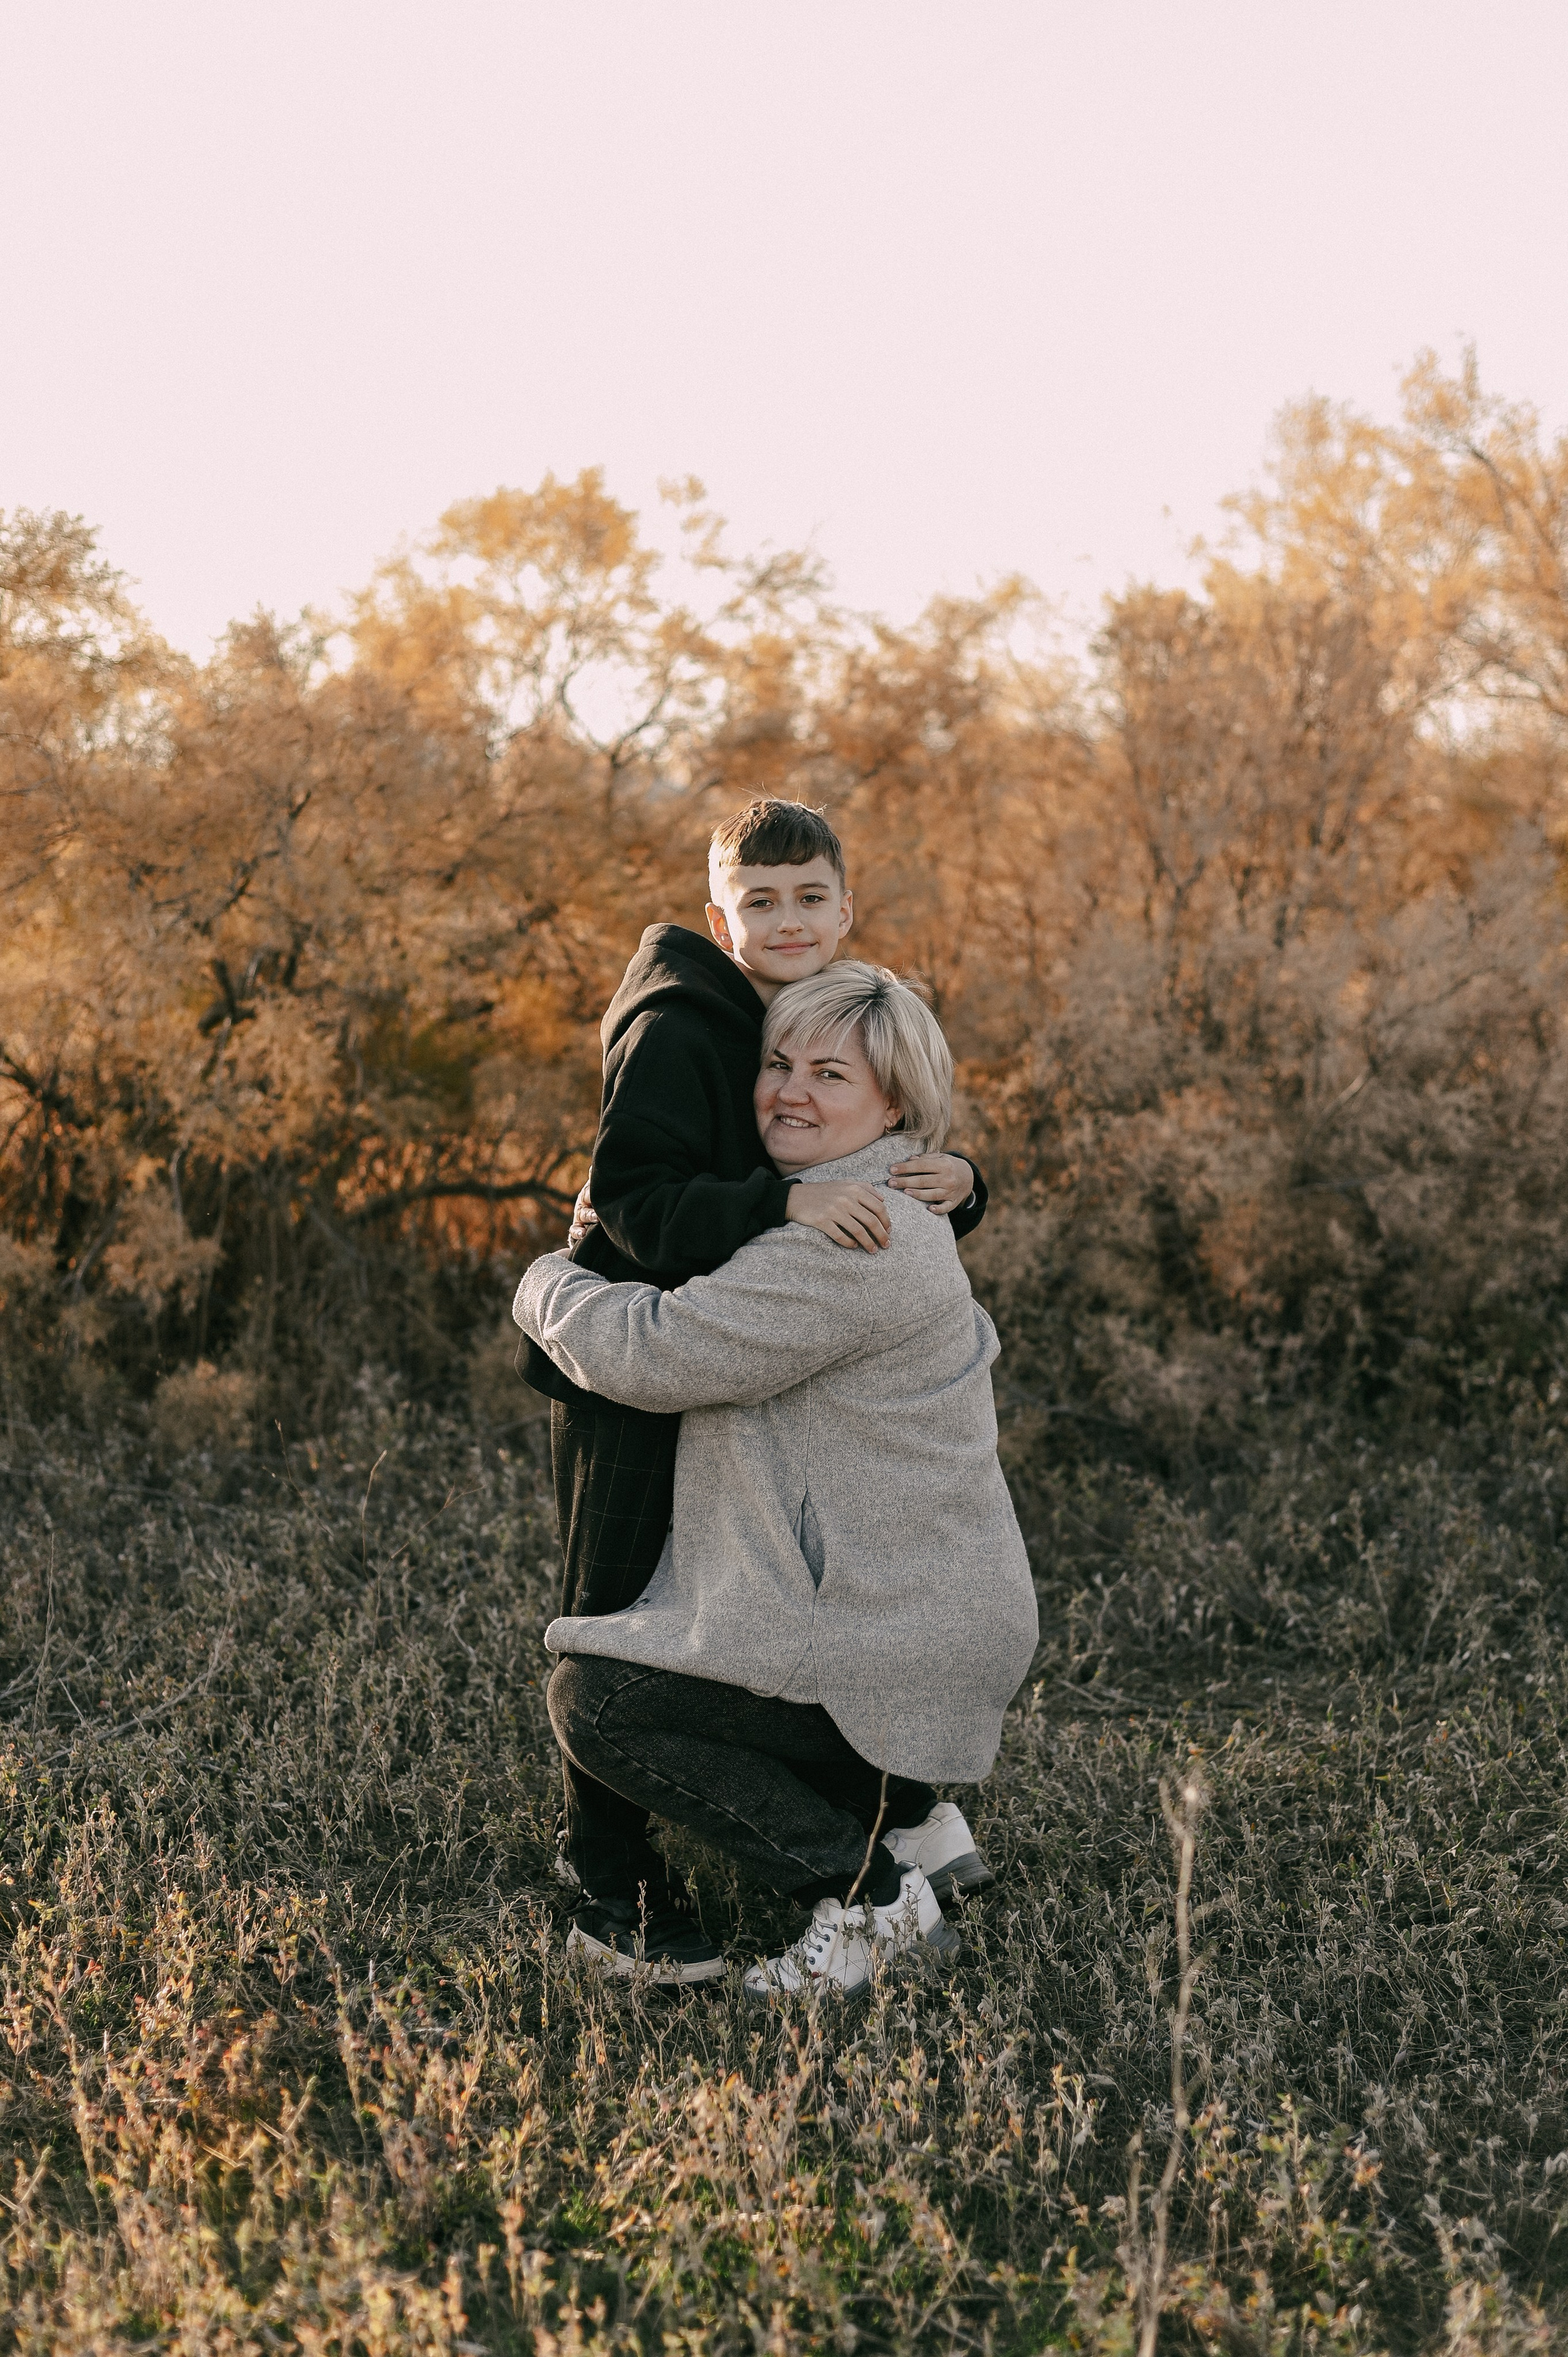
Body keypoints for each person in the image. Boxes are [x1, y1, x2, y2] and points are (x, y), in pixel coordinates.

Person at [521, 799, 992, 1976]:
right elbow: (634, 1200)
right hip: (632, 1381)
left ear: (846, 904)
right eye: (761, 901)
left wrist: (967, 1178)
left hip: (726, 1354)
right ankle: (614, 1888)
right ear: (720, 914)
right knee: (616, 1614)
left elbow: (875, 1106)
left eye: (810, 897)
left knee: (725, 1592)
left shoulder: (819, 1007)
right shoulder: (682, 1028)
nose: (789, 921)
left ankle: (893, 1819)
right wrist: (773, 1205)